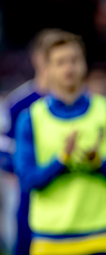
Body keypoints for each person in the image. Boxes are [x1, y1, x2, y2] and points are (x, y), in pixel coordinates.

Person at [13, 30, 106, 255]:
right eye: (60, 62)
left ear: (84, 64)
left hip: (103, 233)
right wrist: (61, 159)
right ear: (47, 69)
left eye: (74, 60)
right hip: (49, 237)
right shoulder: (30, 117)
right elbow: (26, 181)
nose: (68, 68)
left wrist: (99, 162)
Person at [0, 29, 61, 255]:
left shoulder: (86, 104)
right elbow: (4, 152)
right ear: (38, 59)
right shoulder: (19, 103)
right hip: (28, 195)